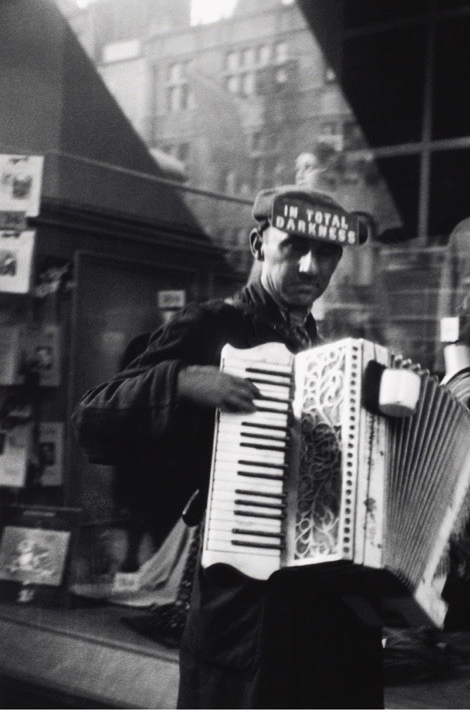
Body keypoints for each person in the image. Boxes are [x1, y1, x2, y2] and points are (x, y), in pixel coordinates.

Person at [72, 186, 383, 710]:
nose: (311, 266)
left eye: (327, 252)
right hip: (245, 608)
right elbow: (92, 418)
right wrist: (183, 381)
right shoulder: (212, 325)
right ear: (259, 244)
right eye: (295, 246)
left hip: (323, 614)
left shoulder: (326, 351)